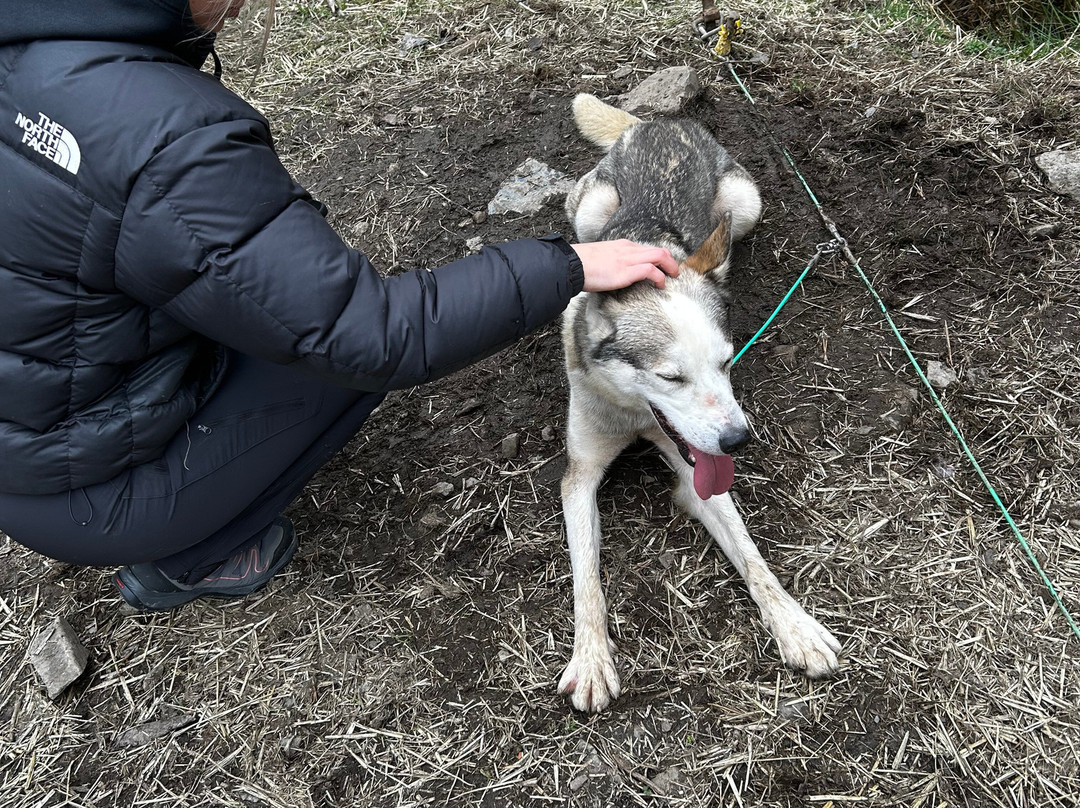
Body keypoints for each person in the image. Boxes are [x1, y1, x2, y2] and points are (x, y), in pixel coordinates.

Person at [0, 0, 677, 611]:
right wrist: (568, 264)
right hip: (80, 497)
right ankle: (187, 562)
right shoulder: (162, 132)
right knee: (333, 365)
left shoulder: (31, 40)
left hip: (31, 439)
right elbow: (366, 333)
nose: (244, 9)